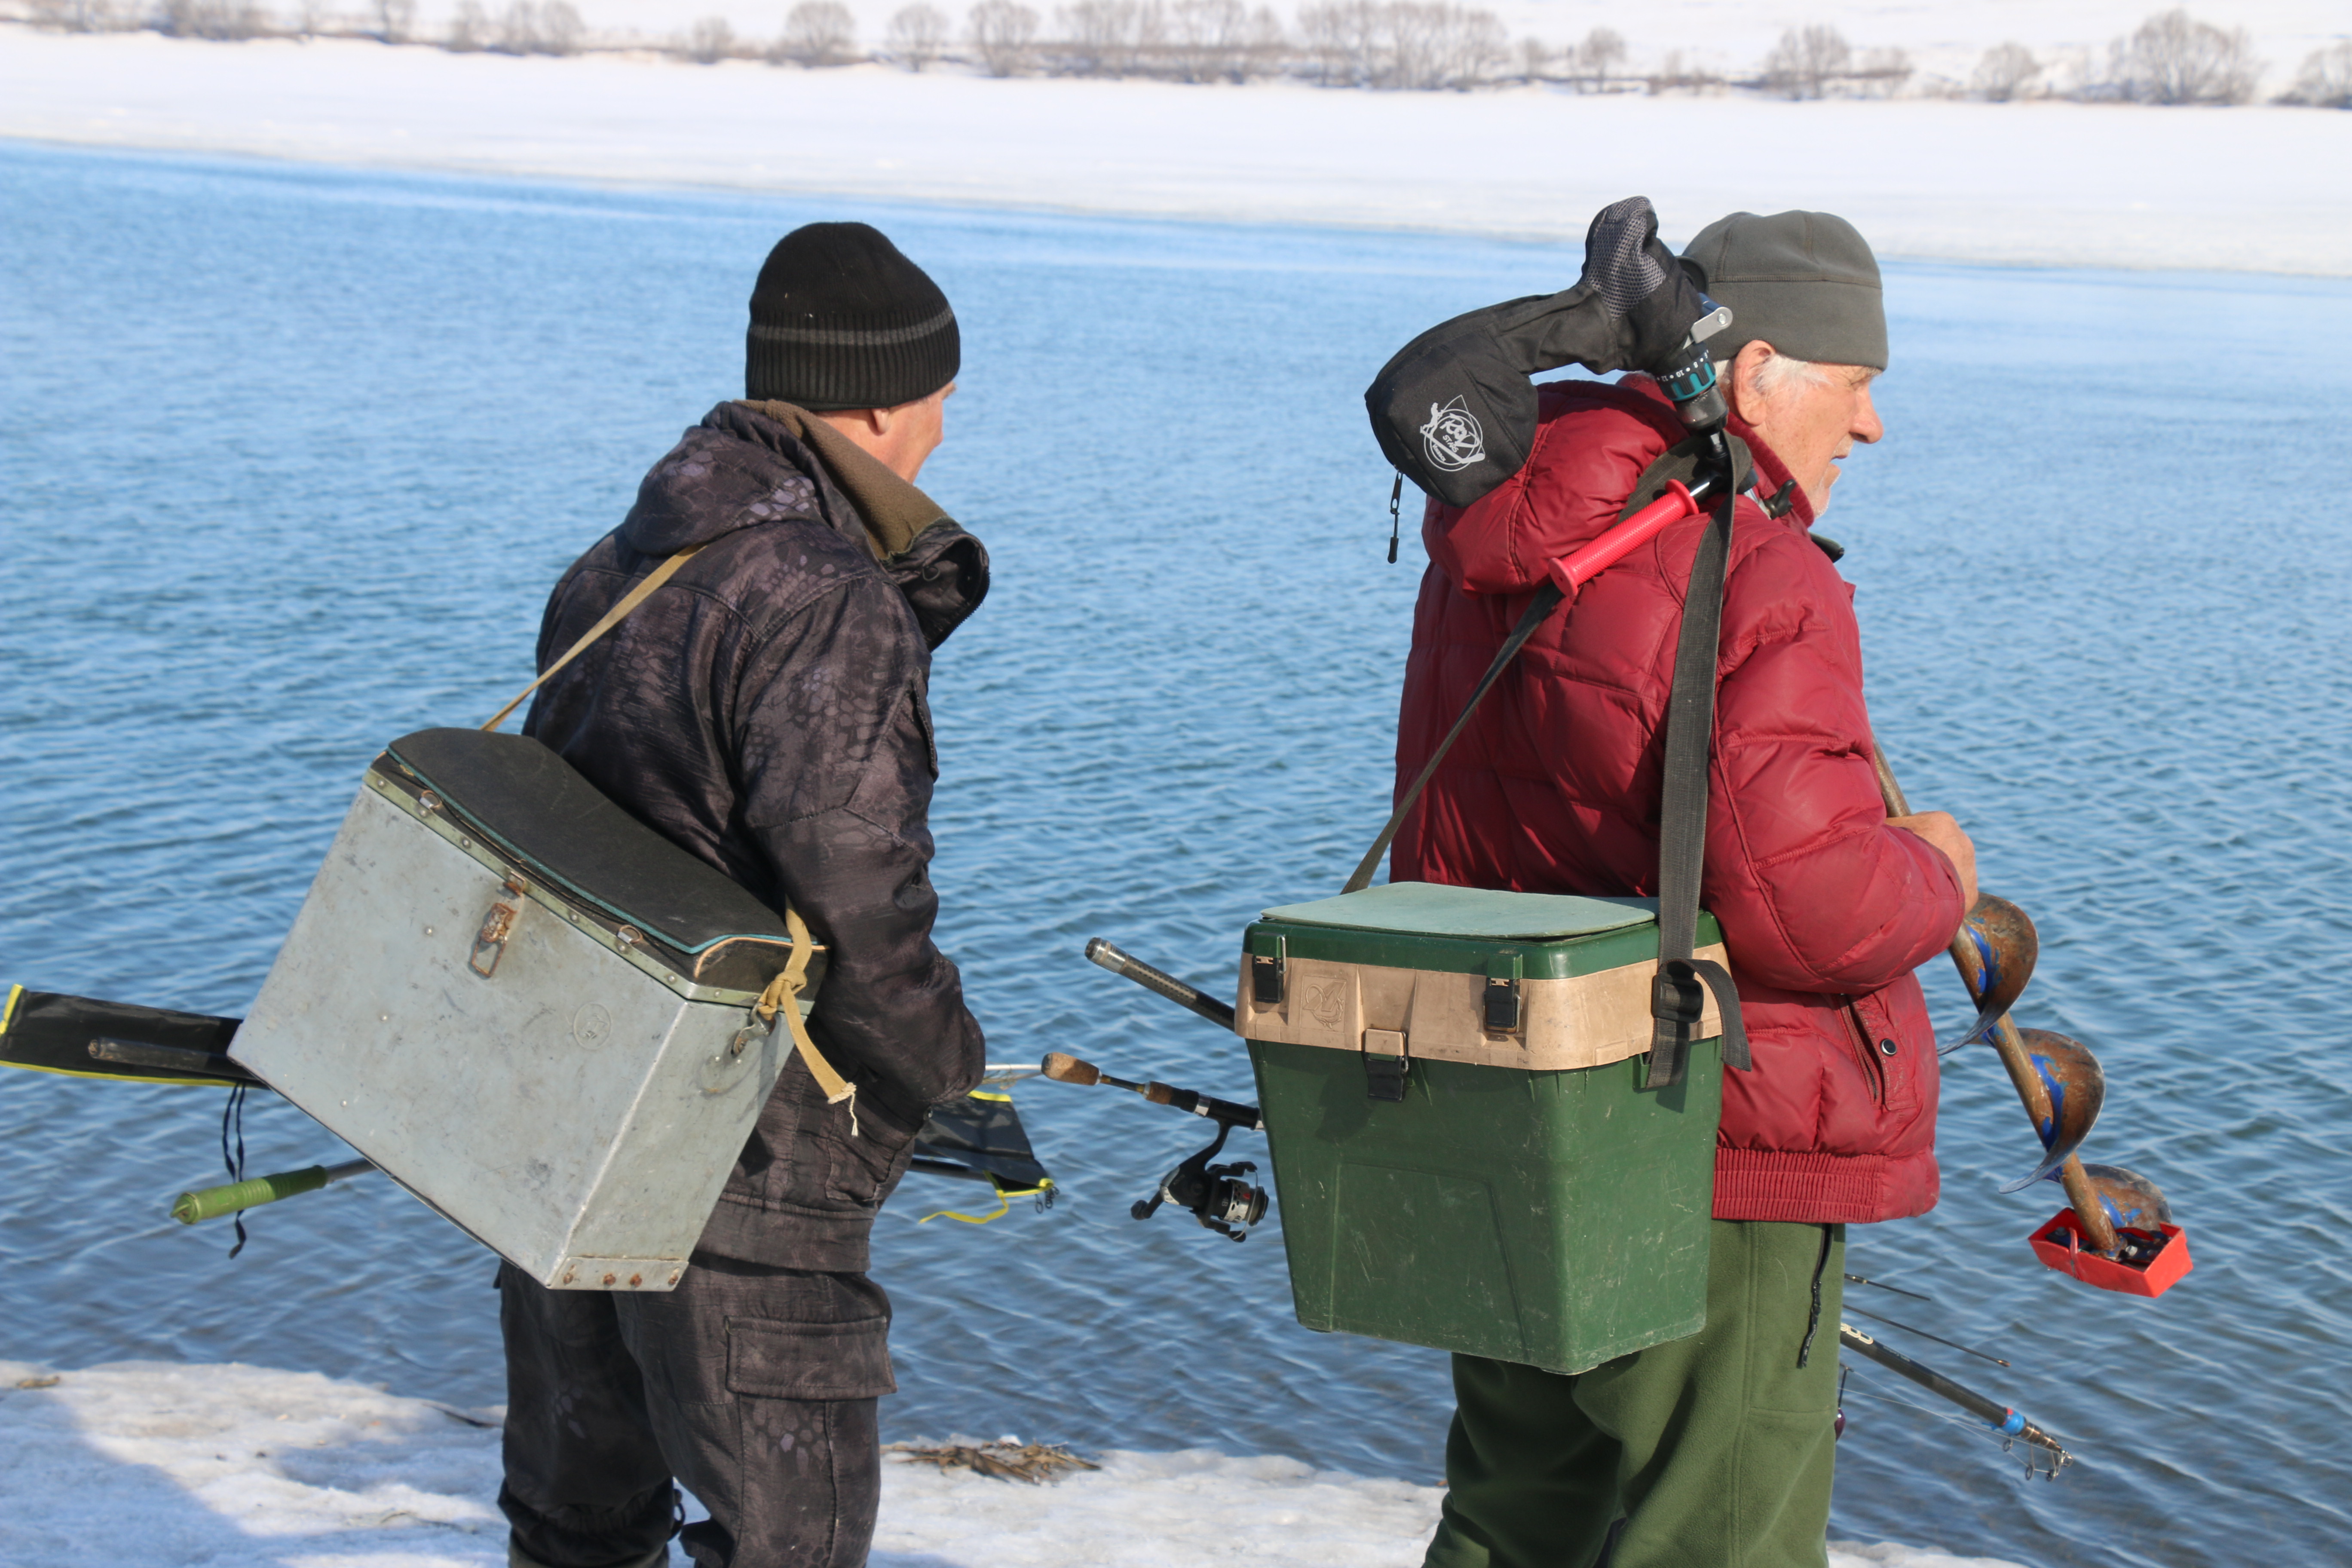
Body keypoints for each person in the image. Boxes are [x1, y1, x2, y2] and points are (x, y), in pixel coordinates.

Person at [1397, 211, 1976, 1568]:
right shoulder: (1759, 572)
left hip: (1509, 1112)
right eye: (1857, 382)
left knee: (1512, 1517)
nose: (1874, 425)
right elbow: (1808, 905)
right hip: (1706, 1142)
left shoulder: (1504, 539)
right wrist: (1939, 877)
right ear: (1758, 365)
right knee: (1724, 1537)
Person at [496, 222, 989, 1568]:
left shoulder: (620, 564)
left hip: (573, 1122)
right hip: (744, 1149)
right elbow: (858, 891)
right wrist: (946, 1075)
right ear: (881, 398)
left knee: (576, 1525)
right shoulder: (826, 600)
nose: (947, 427)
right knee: (792, 1540)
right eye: (943, 395)